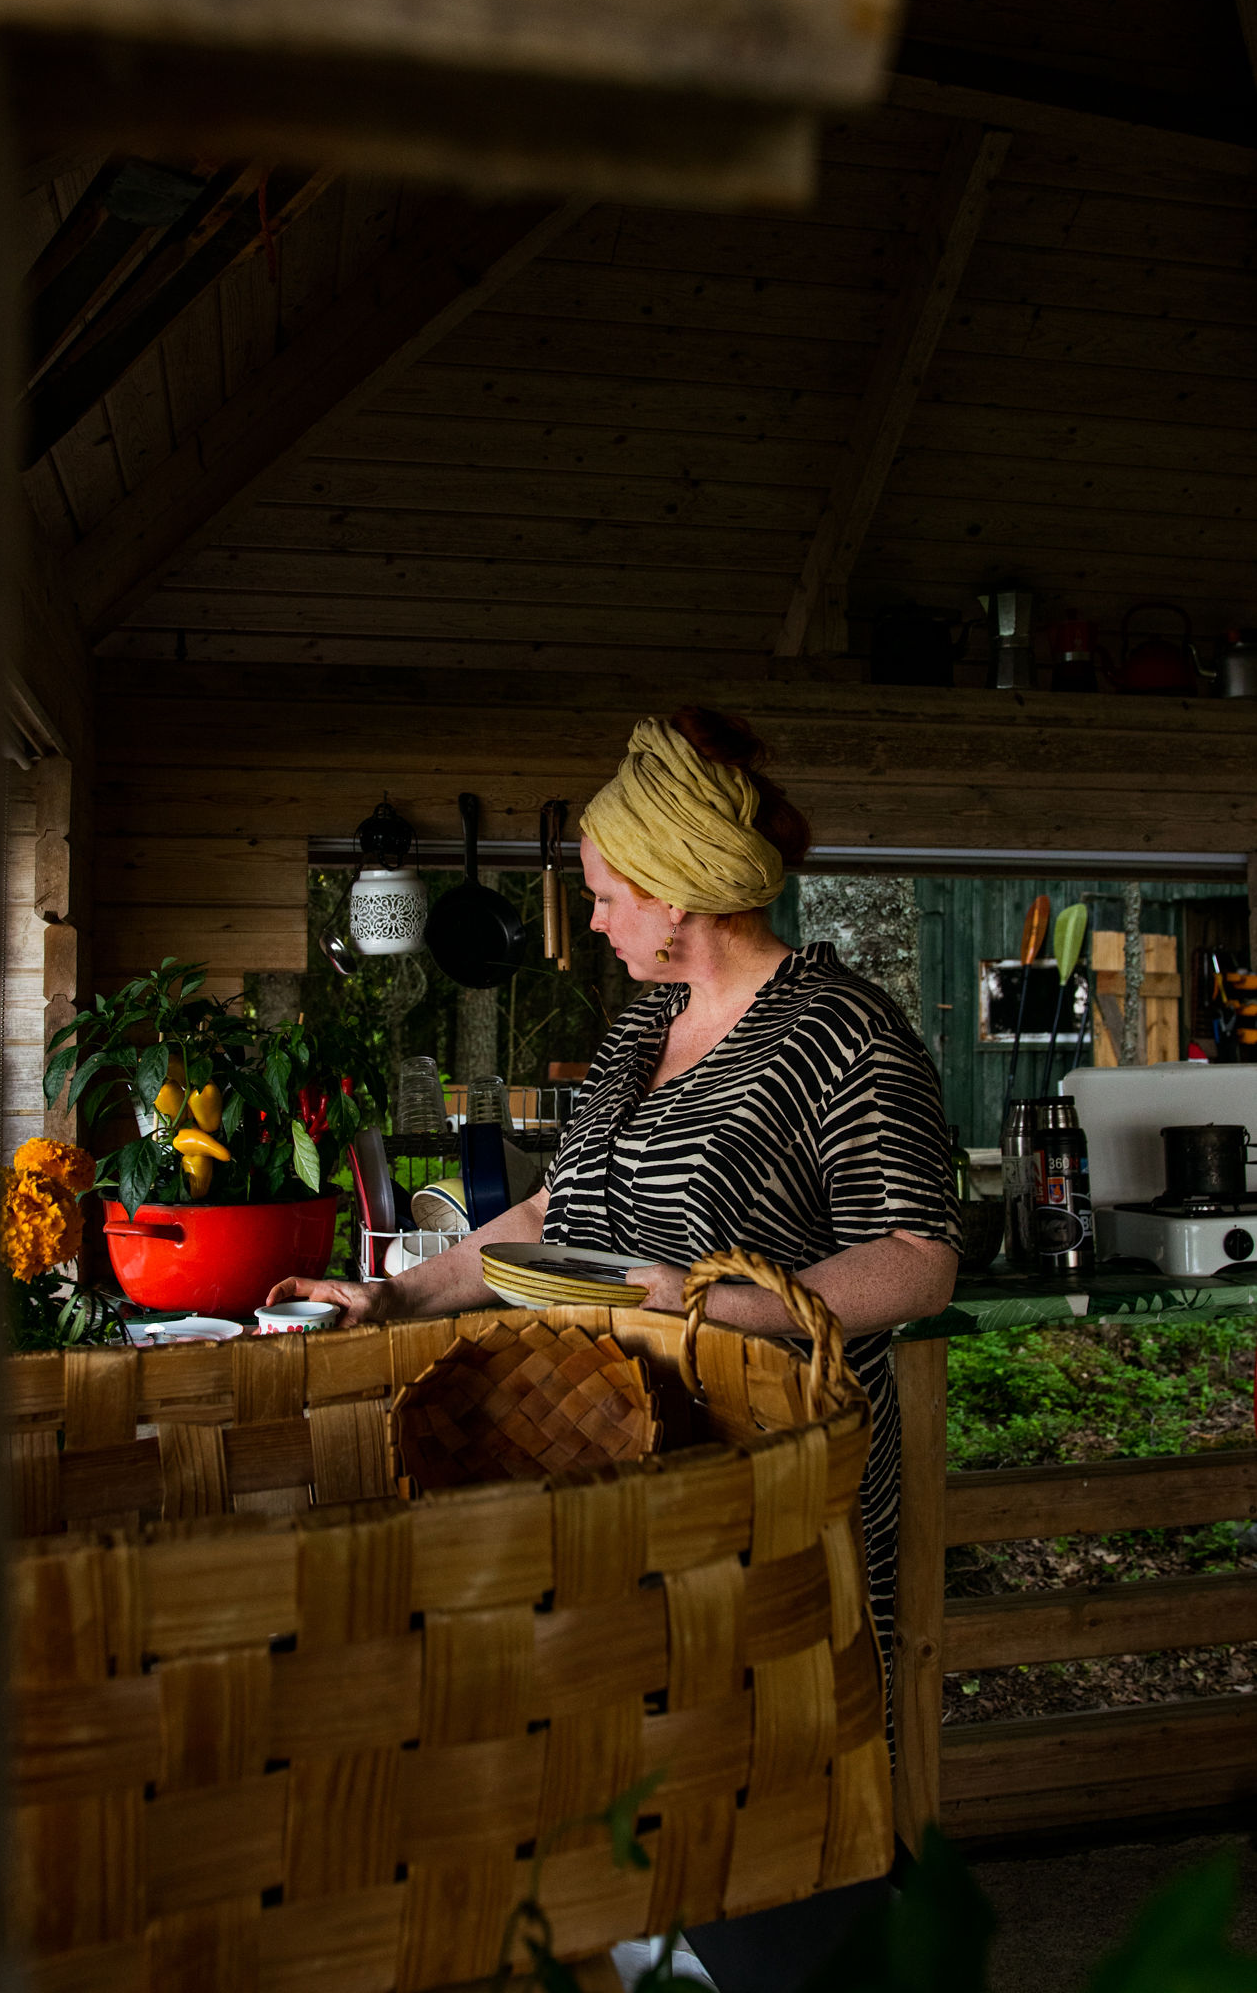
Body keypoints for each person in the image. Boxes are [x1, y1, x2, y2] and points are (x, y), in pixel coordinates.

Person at [268, 706, 959, 1991]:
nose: (589, 923)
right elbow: (552, 1211)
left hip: (770, 1477)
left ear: (678, 886)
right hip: (612, 1462)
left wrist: (713, 1305)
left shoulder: (843, 1031)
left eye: (599, 895)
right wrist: (408, 1296)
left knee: (777, 1778)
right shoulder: (648, 1021)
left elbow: (919, 1255)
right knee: (651, 1771)